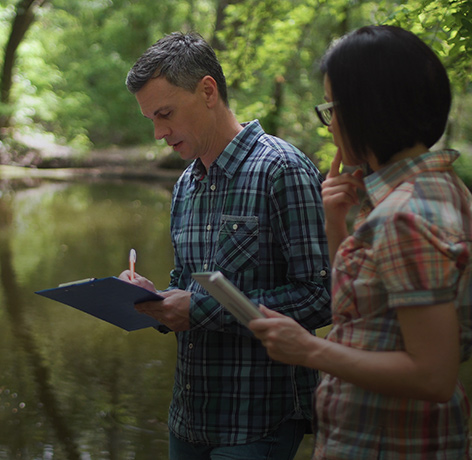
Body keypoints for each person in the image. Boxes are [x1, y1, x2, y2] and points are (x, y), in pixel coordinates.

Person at [249, 25, 472, 458]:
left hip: (388, 443)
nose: (330, 127)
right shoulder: (443, 190)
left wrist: (309, 349)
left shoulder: (405, 216)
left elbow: (433, 374)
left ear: (368, 110)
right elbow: (369, 319)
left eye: (332, 108)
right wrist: (337, 224)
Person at [120, 32, 332, 459]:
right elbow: (185, 282)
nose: (160, 133)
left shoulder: (282, 169)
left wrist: (197, 310)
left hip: (258, 419)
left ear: (208, 91)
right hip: (188, 416)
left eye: (165, 114)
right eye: (152, 121)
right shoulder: (185, 184)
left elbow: (320, 297)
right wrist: (154, 298)